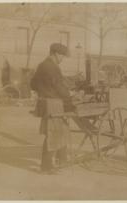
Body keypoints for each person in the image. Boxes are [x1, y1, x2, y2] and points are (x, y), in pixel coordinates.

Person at [30, 43, 75, 174]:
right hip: (53, 104)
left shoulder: (42, 65)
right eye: (62, 56)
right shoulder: (51, 67)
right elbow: (59, 86)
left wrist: (43, 91)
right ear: (56, 54)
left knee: (59, 132)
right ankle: (46, 167)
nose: (62, 59)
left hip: (47, 103)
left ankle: (61, 161)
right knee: (53, 135)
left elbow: (33, 84)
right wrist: (69, 94)